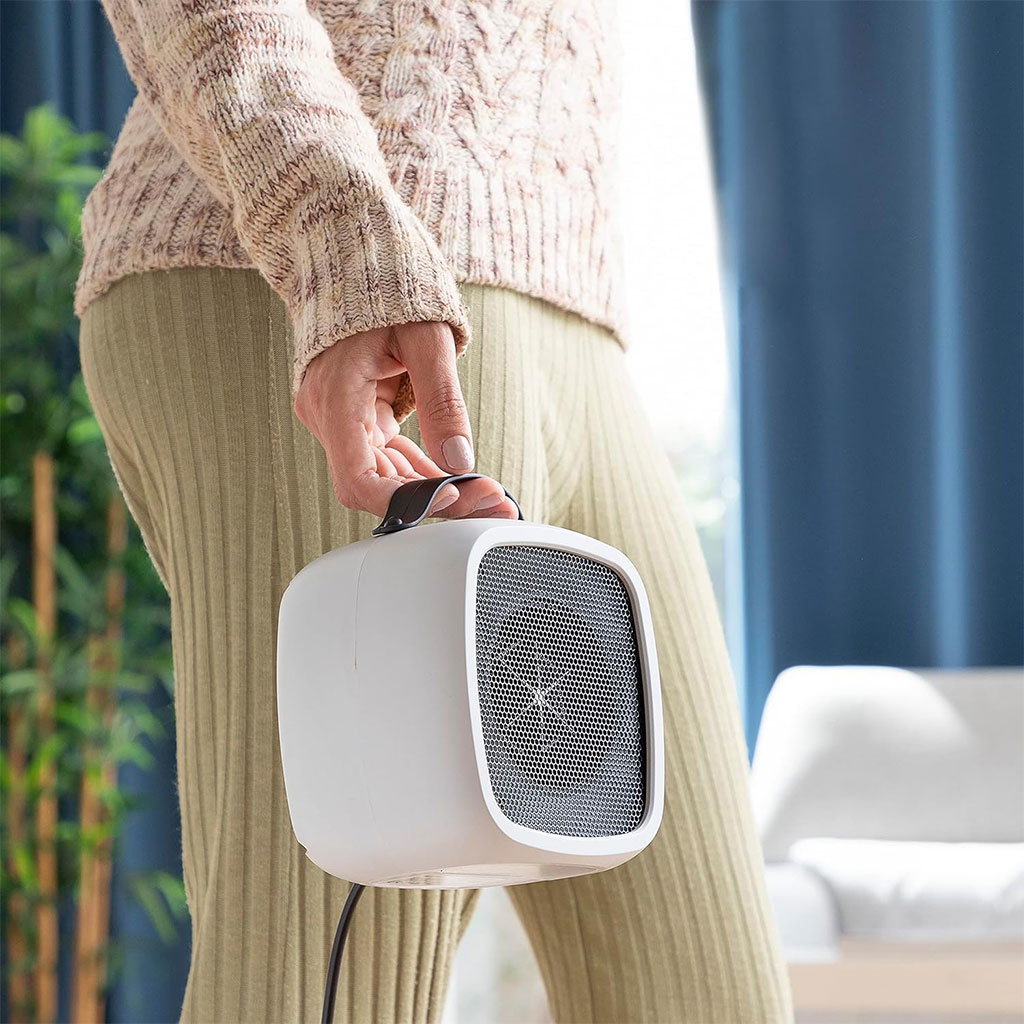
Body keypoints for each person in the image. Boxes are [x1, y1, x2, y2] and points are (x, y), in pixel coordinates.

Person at [76, 1, 792, 1021]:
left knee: (709, 991)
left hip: (569, 302)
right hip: (326, 275)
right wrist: (338, 234)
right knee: (326, 979)